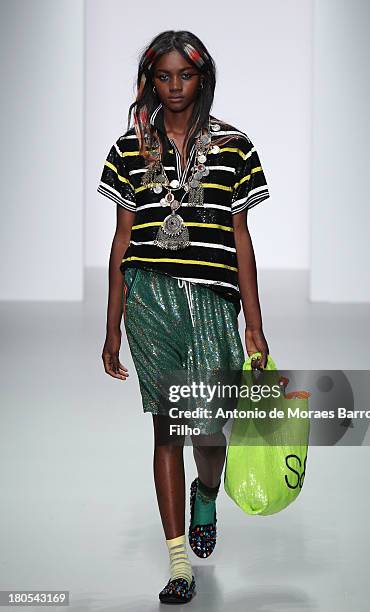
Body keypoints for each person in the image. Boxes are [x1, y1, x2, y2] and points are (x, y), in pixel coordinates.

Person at [98, 30, 270, 605]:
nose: (174, 87)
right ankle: (178, 566)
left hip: (213, 300)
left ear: (204, 79)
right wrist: (111, 327)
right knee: (166, 428)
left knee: (208, 428)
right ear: (150, 79)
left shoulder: (234, 147)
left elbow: (241, 239)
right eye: (163, 76)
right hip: (148, 299)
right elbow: (122, 240)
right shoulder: (129, 149)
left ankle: (207, 489)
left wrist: (255, 323)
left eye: (185, 76)